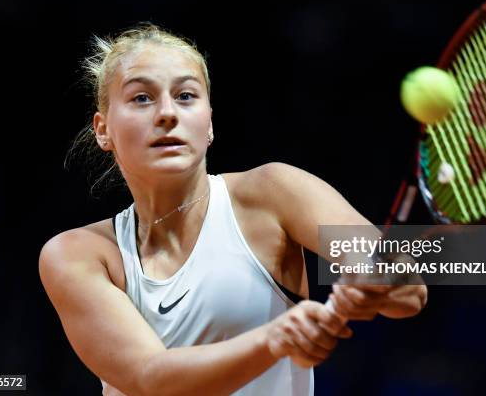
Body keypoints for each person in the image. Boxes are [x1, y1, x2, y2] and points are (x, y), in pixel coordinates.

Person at [39, 24, 427, 396]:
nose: (167, 114)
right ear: (103, 129)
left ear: (208, 123)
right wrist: (275, 338)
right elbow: (151, 378)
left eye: (186, 96)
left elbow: (409, 290)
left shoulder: (274, 193)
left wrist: (379, 279)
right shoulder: (78, 254)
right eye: (142, 98)